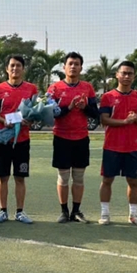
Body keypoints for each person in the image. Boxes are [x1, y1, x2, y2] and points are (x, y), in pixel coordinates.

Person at [47, 52, 98, 223]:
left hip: (81, 138)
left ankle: (76, 211)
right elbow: (51, 114)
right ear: (64, 67)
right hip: (61, 137)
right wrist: (68, 107)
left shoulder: (87, 88)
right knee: (63, 177)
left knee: (78, 177)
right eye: (70, 63)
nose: (73, 67)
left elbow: (95, 113)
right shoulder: (54, 89)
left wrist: (85, 107)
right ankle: (64, 211)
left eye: (77, 64)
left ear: (81, 67)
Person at [98, 61, 137, 225]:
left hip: (132, 146)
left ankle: (133, 215)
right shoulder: (108, 97)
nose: (127, 76)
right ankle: (105, 214)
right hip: (112, 145)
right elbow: (104, 119)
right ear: (117, 75)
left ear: (134, 76)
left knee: (133, 181)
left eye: (130, 73)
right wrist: (124, 122)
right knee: (107, 180)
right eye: (124, 73)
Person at [0, 55, 38, 224]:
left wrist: (29, 120)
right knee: (3, 176)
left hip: (22, 140)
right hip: (4, 139)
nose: (15, 68)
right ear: (7, 69)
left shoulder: (31, 89)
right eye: (12, 65)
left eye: (18, 65)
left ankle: (20, 212)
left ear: (23, 69)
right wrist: (4, 121)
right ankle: (3, 211)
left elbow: (35, 112)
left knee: (20, 177)